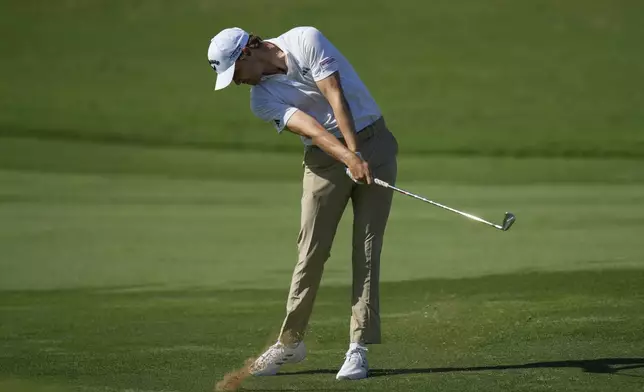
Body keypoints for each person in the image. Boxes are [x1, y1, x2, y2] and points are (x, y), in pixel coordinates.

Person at [207, 26, 398, 380]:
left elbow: (335, 95)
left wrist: (356, 154)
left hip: (374, 144)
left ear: (248, 52)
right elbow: (312, 128)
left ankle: (358, 347)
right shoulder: (261, 100)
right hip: (324, 160)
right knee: (310, 251)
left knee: (367, 248)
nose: (235, 83)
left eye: (234, 73)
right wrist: (348, 158)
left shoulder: (305, 40)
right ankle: (291, 343)